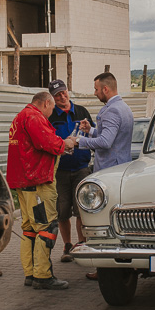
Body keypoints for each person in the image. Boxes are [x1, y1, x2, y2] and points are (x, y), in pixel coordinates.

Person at [7, 91, 78, 290]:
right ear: (46, 103)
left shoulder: (20, 117)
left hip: (23, 182)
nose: (52, 112)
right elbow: (48, 142)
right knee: (46, 228)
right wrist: (67, 143)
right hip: (37, 182)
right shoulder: (34, 117)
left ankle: (30, 273)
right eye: (52, 107)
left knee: (29, 228)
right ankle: (42, 275)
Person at [76, 72, 133, 279]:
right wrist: (91, 130)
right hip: (121, 165)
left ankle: (106, 269)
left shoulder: (111, 111)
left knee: (104, 221)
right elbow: (111, 138)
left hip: (109, 171)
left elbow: (106, 143)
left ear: (105, 89)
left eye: (96, 89)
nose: (95, 92)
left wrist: (79, 141)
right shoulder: (124, 108)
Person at [46, 79, 92, 263]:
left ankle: (82, 244)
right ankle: (67, 245)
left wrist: (88, 130)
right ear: (53, 98)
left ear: (67, 92)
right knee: (62, 211)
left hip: (81, 168)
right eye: (57, 95)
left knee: (82, 209)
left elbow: (94, 132)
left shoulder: (81, 112)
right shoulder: (51, 116)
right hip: (60, 170)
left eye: (64, 92)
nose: (62, 97)